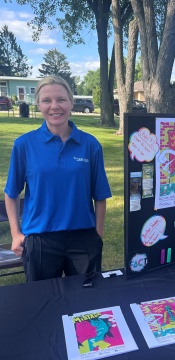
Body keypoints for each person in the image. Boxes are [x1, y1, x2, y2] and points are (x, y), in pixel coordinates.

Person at [4, 75, 112, 282]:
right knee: (43, 303)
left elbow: (100, 195)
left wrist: (97, 235)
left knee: (86, 304)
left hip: (83, 239)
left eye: (61, 99)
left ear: (71, 102)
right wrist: (16, 234)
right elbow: (11, 193)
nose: (55, 106)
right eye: (47, 100)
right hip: (40, 240)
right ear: (38, 104)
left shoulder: (90, 145)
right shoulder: (24, 145)